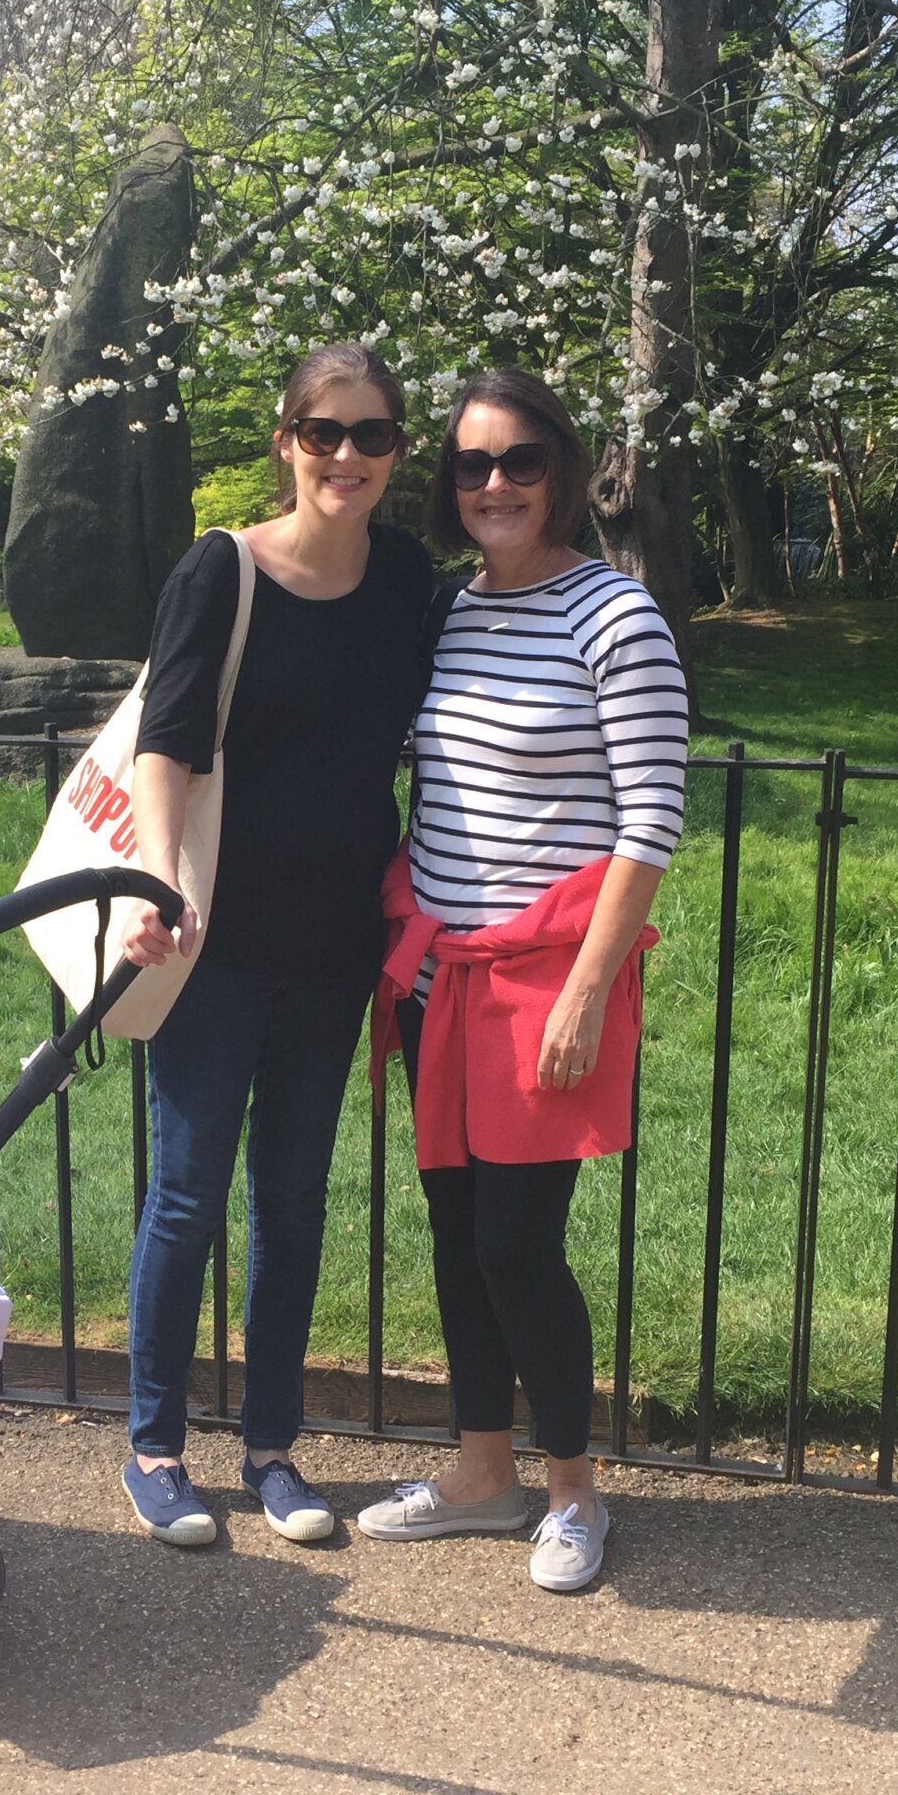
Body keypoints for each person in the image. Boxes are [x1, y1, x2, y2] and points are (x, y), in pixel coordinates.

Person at [354, 370, 689, 1593]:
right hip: (437, 968)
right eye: (471, 465)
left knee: (516, 1245)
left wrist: (591, 995)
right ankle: (481, 1473)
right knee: (453, 1234)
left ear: (563, 468)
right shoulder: (447, 613)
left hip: (549, 975)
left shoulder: (615, 618)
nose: (493, 485)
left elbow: (651, 818)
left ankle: (570, 1489)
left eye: (521, 463)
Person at [113, 344, 440, 1547]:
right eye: (324, 433)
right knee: (190, 1193)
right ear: (286, 443)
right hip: (215, 939)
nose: (346, 458)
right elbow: (170, 735)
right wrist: (153, 877)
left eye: (372, 436)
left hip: (338, 938)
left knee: (293, 1199)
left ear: (398, 451)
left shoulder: (407, 578)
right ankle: (154, 1443)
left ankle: (270, 1449)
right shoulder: (223, 572)